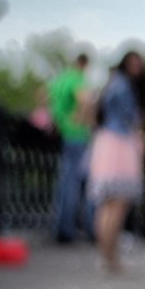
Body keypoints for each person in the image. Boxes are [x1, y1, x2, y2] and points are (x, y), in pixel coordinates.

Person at [86, 51, 145, 274]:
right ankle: (110, 258)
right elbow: (129, 117)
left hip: (106, 143)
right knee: (117, 204)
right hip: (120, 145)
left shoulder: (110, 84)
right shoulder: (124, 86)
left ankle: (106, 257)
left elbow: (93, 110)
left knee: (106, 205)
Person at [48, 52, 93, 244]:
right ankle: (87, 229)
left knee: (65, 182)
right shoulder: (77, 78)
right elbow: (85, 101)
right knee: (82, 184)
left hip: (64, 133)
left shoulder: (61, 80)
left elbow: (49, 102)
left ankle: (62, 228)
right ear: (84, 64)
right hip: (78, 134)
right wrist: (83, 119)